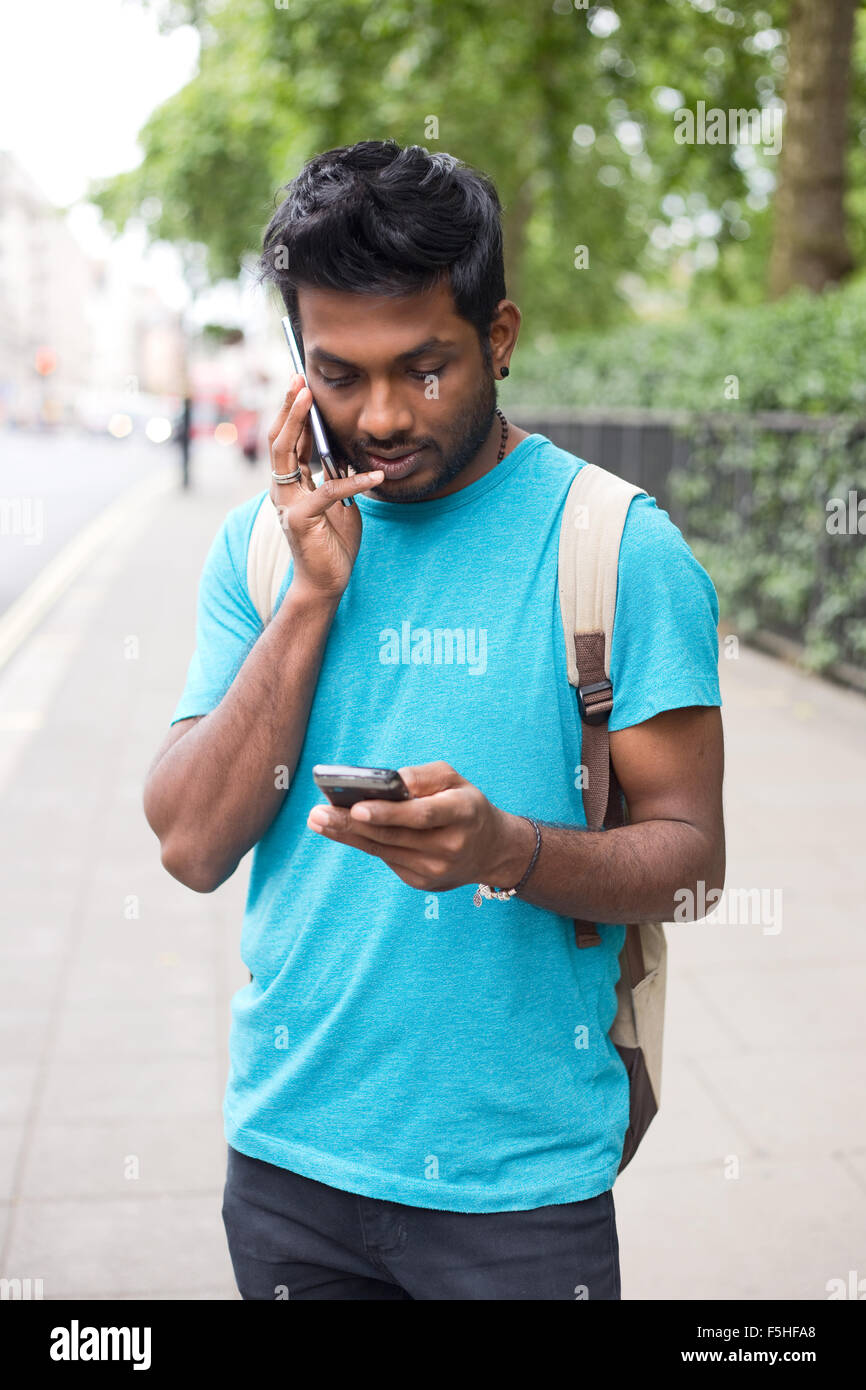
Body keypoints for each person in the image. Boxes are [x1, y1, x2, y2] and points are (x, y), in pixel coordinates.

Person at [143, 140, 725, 1301]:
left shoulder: (615, 548)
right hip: (287, 1162)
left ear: (496, 339)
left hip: (519, 1194)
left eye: (423, 369)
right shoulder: (261, 549)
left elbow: (695, 868)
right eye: (339, 375)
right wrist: (311, 594)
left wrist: (507, 851)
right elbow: (191, 844)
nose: (379, 418)